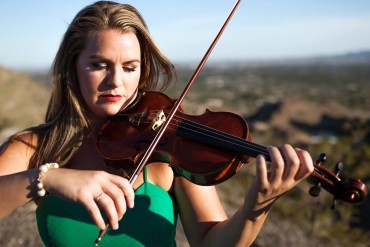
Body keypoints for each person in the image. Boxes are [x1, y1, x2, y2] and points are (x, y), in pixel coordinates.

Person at [0, 1, 314, 246]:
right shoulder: (35, 148)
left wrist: (256, 207)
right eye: (99, 65)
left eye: (129, 67)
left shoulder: (168, 148)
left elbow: (211, 242)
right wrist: (50, 179)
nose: (116, 82)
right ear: (73, 67)